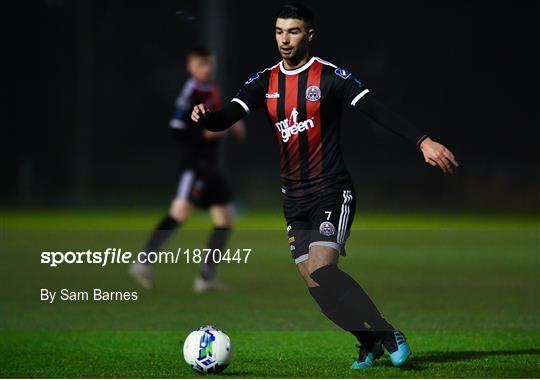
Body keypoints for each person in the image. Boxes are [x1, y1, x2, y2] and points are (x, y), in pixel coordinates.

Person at [191, 3, 458, 369]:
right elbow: (227, 118)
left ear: (309, 35)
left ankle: (386, 332)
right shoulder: (265, 81)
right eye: (279, 31)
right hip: (293, 199)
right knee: (317, 290)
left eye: (293, 31)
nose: (284, 39)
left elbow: (376, 109)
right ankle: (366, 342)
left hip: (331, 190)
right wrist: (208, 117)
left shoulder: (329, 77)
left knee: (323, 271)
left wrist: (422, 141)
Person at [130, 47, 246, 293]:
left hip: (210, 167)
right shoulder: (189, 93)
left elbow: (215, 120)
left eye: (210, 63)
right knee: (180, 211)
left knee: (224, 219)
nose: (207, 68)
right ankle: (143, 262)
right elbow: (177, 130)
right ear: (191, 67)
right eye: (201, 64)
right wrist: (215, 130)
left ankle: (205, 277)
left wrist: (228, 122)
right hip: (195, 166)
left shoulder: (211, 90)